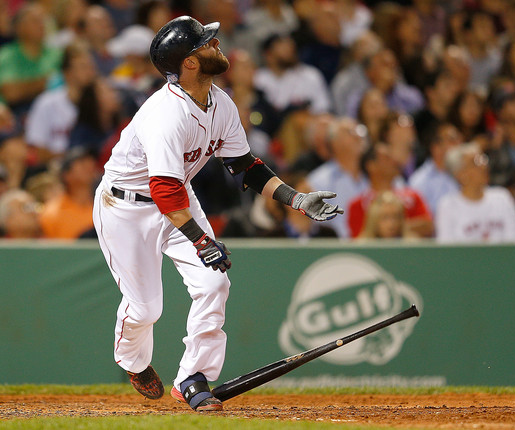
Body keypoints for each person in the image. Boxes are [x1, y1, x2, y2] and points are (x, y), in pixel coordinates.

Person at [92, 16, 343, 412]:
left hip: (176, 201)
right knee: (145, 309)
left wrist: (295, 199)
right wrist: (201, 239)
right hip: (125, 207)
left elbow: (245, 166)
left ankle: (193, 378)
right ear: (190, 63)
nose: (216, 43)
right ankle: (132, 361)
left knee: (214, 284)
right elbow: (163, 190)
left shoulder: (219, 101)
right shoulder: (165, 114)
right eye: (206, 42)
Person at [436, 143, 515, 243]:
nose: (484, 166)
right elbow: (447, 247)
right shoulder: (448, 206)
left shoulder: (502, 198)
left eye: (483, 159)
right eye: (475, 162)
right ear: (460, 174)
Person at [39, 147, 98, 239]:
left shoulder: (105, 207)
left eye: (91, 161)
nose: (90, 165)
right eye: (82, 162)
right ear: (66, 175)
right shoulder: (52, 212)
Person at [409, 122, 461, 215]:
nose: (458, 146)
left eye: (455, 141)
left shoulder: (465, 173)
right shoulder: (420, 181)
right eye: (451, 141)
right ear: (435, 147)